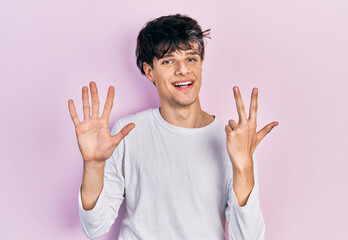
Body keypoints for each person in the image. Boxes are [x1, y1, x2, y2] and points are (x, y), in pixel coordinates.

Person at [68, 14, 278, 240]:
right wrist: (93, 166)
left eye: (191, 59)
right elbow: (94, 227)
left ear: (201, 65)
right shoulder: (128, 132)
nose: (183, 70)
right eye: (168, 61)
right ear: (150, 72)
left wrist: (243, 167)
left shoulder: (233, 140)